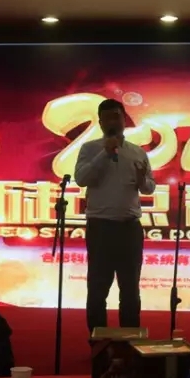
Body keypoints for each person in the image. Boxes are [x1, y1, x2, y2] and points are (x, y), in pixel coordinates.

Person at [74, 98, 156, 337]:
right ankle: (98, 343)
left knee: (130, 290)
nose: (113, 121)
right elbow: (81, 179)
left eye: (117, 116)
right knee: (98, 289)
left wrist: (141, 180)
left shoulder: (137, 152)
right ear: (100, 123)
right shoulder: (89, 149)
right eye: (107, 118)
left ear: (124, 120)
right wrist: (105, 153)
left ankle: (129, 342)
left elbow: (149, 187)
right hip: (101, 228)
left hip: (129, 229)